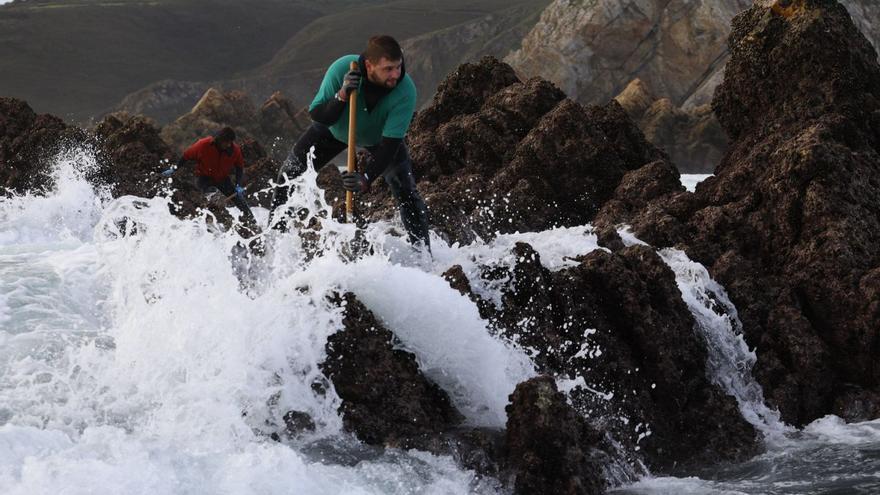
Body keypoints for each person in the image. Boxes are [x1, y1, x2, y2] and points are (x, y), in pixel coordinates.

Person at [269, 35, 430, 250]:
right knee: (288, 176)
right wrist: (343, 94)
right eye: (388, 69)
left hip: (379, 139)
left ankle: (422, 254)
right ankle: (274, 243)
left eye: (398, 67)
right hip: (333, 130)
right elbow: (318, 115)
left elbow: (390, 145)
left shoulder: (405, 91)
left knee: (407, 191)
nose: (395, 75)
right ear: (369, 65)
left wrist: (365, 178)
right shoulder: (342, 68)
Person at [162, 126, 256, 224]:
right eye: (226, 142)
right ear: (219, 140)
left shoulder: (234, 150)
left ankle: (253, 223)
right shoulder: (203, 144)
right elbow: (186, 156)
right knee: (212, 197)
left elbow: (239, 167)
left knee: (240, 201)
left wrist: (238, 184)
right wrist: (174, 169)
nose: (229, 145)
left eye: (230, 142)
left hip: (222, 179)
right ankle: (216, 223)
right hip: (204, 178)